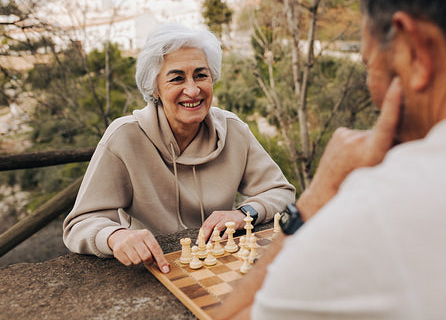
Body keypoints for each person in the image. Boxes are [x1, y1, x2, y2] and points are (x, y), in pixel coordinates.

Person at [215, 0, 446, 319]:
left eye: (368, 64)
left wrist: (318, 195)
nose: (372, 87)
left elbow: (230, 316)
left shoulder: (380, 209)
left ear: (415, 51)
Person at [63, 23, 295, 274]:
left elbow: (281, 191)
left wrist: (245, 212)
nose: (193, 90)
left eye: (201, 75)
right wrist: (115, 236)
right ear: (155, 88)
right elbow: (80, 223)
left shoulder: (232, 129)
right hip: (156, 271)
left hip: (221, 264)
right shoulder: (125, 136)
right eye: (176, 78)